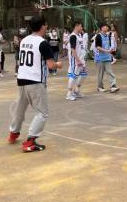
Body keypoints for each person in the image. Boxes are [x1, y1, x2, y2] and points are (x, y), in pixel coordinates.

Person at [7, 15, 63, 152]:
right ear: (42, 26)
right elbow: (51, 65)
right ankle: (30, 141)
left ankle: (13, 132)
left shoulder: (24, 40)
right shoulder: (43, 43)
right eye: (45, 25)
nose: (46, 27)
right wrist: (58, 64)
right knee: (42, 112)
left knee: (20, 109)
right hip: (35, 81)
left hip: (21, 79)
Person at [66, 21, 88, 101]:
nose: (82, 28)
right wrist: (77, 60)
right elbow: (73, 49)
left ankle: (76, 90)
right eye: (81, 26)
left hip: (81, 59)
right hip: (75, 60)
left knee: (83, 75)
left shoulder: (79, 36)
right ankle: (69, 93)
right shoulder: (73, 36)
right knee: (73, 76)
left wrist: (82, 59)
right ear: (76, 26)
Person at [94, 23, 119, 93]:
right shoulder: (98, 36)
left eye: (107, 27)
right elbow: (97, 47)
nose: (107, 28)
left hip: (107, 58)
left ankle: (113, 86)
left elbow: (110, 45)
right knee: (100, 74)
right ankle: (100, 87)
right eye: (105, 26)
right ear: (101, 28)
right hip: (100, 58)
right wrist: (106, 51)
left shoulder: (108, 35)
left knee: (110, 72)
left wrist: (111, 52)